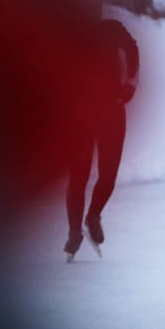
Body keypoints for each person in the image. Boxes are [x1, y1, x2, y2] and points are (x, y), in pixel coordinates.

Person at [65, 14, 139, 261]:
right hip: (81, 113)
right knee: (79, 175)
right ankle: (75, 230)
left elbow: (132, 50)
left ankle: (91, 217)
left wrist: (129, 85)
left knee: (106, 174)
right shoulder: (68, 31)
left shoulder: (111, 28)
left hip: (110, 109)